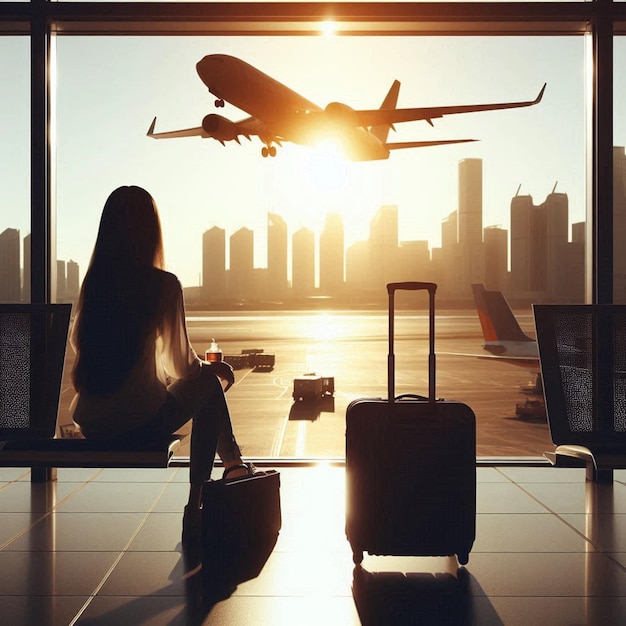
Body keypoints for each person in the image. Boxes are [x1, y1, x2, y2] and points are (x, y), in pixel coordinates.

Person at [70, 185, 250, 544]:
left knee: (205, 385)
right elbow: (182, 367)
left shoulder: (94, 284)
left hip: (91, 422)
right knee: (211, 386)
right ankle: (205, 494)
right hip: (134, 424)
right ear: (151, 230)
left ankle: (233, 466)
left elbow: (81, 345)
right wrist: (214, 371)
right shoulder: (163, 285)